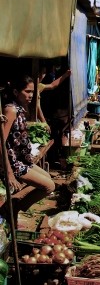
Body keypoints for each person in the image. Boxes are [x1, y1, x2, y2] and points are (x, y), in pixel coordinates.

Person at [0, 75, 55, 227]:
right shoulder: (10, 110)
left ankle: (14, 203)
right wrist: (9, 173)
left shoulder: (19, 108)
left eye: (32, 92)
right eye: (27, 91)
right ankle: (14, 208)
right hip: (12, 163)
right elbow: (0, 143)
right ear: (16, 92)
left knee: (47, 177)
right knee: (49, 186)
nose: (31, 95)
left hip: (22, 160)